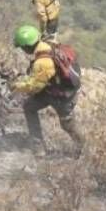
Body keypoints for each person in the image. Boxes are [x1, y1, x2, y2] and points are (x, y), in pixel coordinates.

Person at [11, 25, 84, 157]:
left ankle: (84, 149)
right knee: (29, 107)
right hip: (53, 90)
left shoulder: (43, 62)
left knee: (67, 124)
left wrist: (17, 86)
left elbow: (35, 86)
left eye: (22, 47)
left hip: (62, 96)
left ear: (27, 47)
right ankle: (38, 148)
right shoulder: (48, 45)